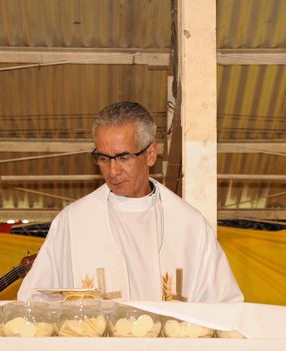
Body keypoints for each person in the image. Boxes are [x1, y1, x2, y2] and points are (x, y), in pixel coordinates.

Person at [18, 101, 243, 303]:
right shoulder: (73, 222)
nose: (113, 171)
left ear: (151, 154)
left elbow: (224, 305)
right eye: (103, 158)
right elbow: (33, 300)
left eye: (123, 157)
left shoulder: (190, 225)